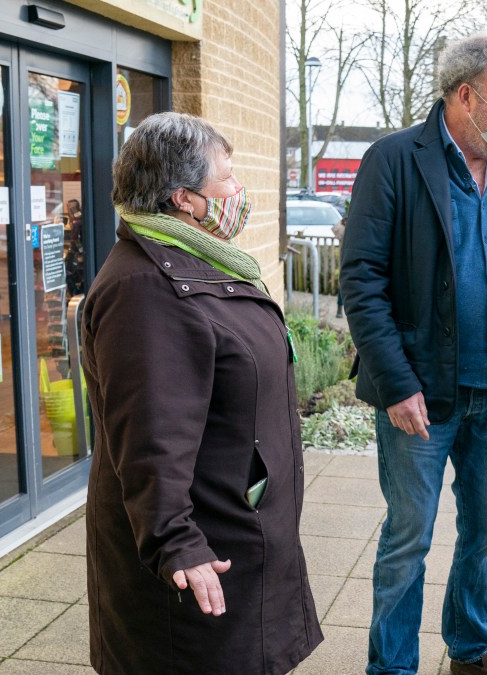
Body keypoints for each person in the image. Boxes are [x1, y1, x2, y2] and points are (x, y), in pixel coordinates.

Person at [340, 33, 487, 675]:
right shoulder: (394, 159)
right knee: (408, 538)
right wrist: (394, 383)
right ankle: (392, 666)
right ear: (466, 95)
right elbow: (361, 279)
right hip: (421, 392)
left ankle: (469, 647)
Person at [81, 112, 324, 674]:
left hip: (236, 527)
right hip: (204, 554)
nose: (240, 192)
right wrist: (177, 544)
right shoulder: (146, 289)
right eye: (229, 177)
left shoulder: (198, 261)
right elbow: (150, 436)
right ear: (184, 199)